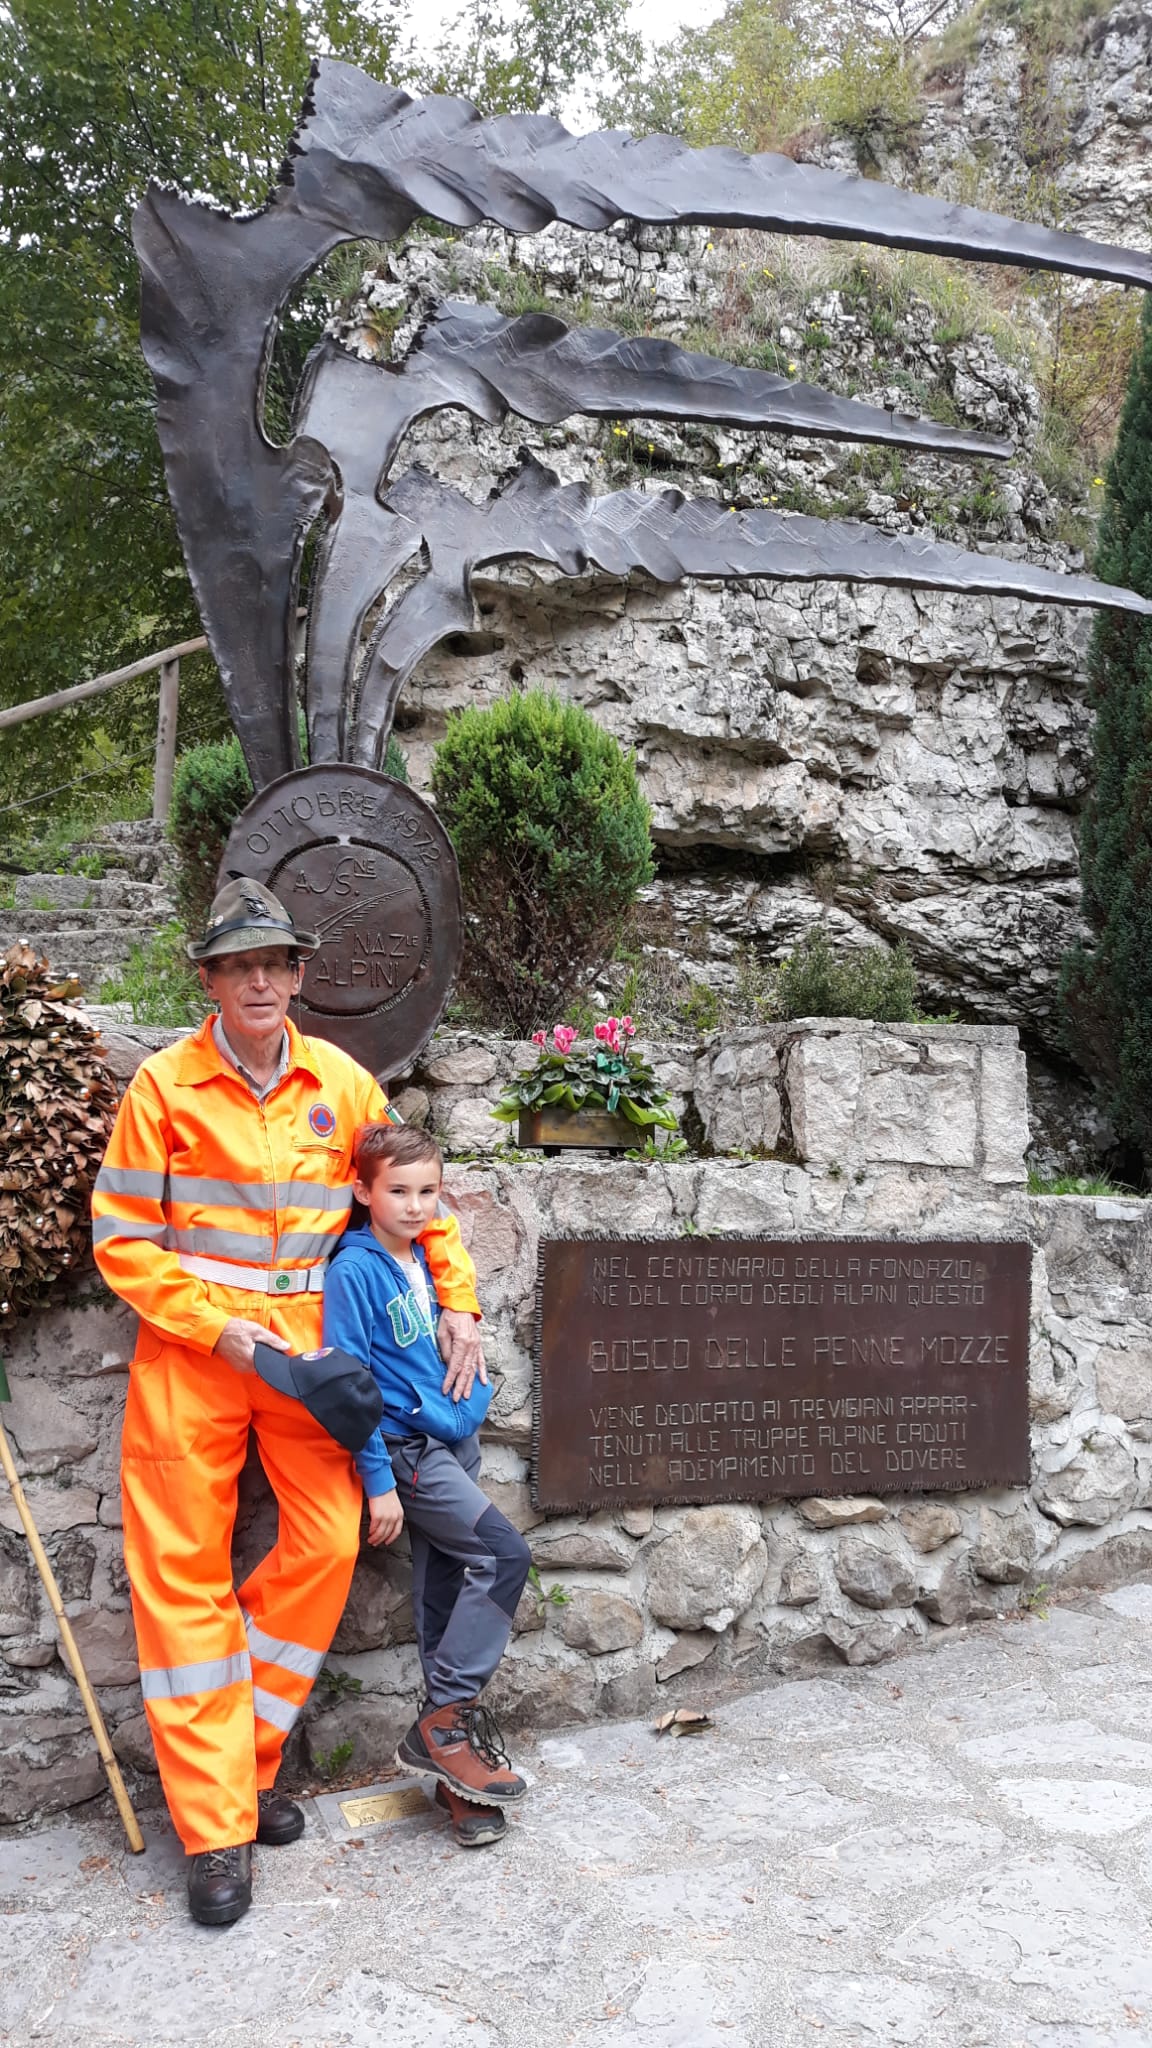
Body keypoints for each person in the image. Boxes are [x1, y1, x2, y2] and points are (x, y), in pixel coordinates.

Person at [91, 878, 484, 1928]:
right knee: (182, 1576)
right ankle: (218, 1825)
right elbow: (123, 1241)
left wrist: (461, 1303)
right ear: (211, 980)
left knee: (327, 1536)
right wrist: (218, 1325)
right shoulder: (163, 1088)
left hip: (311, 1355)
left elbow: (416, 1192)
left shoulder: (342, 1084)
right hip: (195, 1347)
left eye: (277, 963)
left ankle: (246, 1757)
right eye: (239, 964)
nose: (260, 979)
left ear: (299, 976)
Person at [323, 1121, 532, 1849]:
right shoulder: (354, 1270)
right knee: (503, 1556)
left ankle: (458, 1785)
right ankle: (443, 1726)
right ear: (362, 1191)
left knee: (443, 1599)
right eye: (398, 1191)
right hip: (409, 1453)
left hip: (453, 1437)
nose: (415, 1205)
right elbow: (349, 1384)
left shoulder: (423, 1259)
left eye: (428, 1191)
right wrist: (378, 1482)